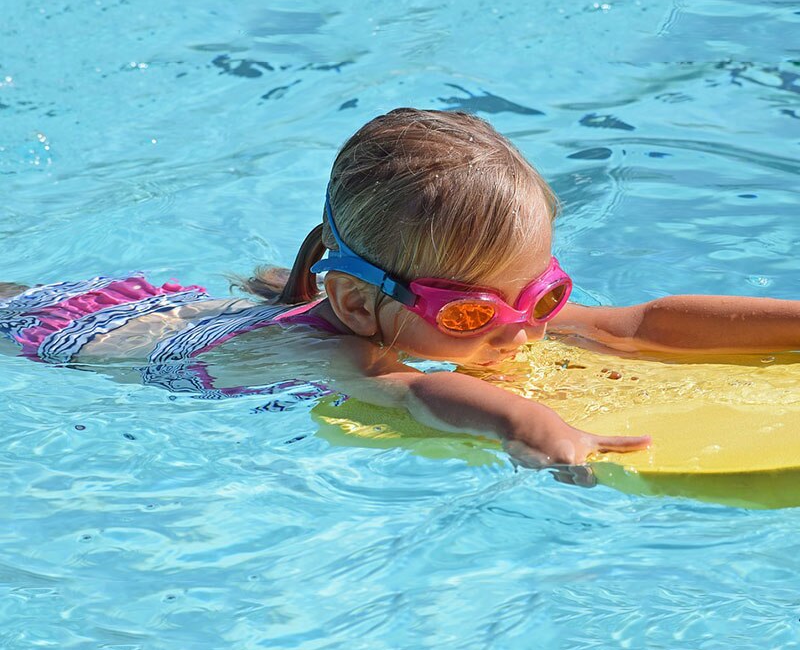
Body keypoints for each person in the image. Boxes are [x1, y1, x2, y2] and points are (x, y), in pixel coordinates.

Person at [1, 109, 798, 467]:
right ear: (356, 305)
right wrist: (535, 429)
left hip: (169, 307)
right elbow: (416, 398)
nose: (521, 331)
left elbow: (640, 325)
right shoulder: (346, 354)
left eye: (543, 295)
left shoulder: (497, 316)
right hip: (74, 337)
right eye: (470, 312)